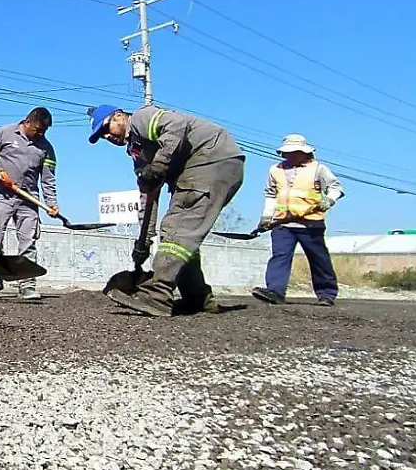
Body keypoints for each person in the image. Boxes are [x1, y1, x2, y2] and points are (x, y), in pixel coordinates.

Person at [87, 103, 245, 317]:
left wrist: (159, 164)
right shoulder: (137, 151)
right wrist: (144, 239)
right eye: (101, 136)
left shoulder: (142, 118)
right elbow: (148, 195)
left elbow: (177, 125)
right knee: (184, 236)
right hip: (204, 167)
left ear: (119, 116)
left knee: (175, 228)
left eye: (106, 129)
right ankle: (198, 298)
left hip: (211, 160)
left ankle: (158, 294)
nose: (107, 136)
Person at [251, 134, 345, 307]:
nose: (290, 156)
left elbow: (336, 188)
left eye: (295, 152)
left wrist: (329, 200)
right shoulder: (275, 170)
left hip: (310, 223)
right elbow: (270, 194)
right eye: (288, 153)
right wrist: (266, 216)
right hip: (282, 223)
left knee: (318, 258)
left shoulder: (319, 169)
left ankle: (326, 293)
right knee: (279, 256)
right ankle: (275, 291)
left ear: (304, 152)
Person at [0, 107, 58, 300]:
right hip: (0, 196)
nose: (40, 134)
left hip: (29, 199)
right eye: (38, 129)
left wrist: (52, 203)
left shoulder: (46, 148)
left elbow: (48, 180)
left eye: (44, 131)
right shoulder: (5, 133)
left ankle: (27, 284)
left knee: (28, 242)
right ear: (28, 122)